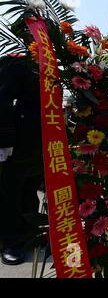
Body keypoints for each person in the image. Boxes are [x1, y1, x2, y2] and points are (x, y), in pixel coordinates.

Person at [0, 46, 42, 265]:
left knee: (29, 189)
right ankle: (10, 240)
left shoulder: (49, 66)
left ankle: (28, 234)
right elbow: (2, 99)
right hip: (17, 141)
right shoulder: (15, 61)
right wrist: (4, 140)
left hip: (39, 140)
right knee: (10, 193)